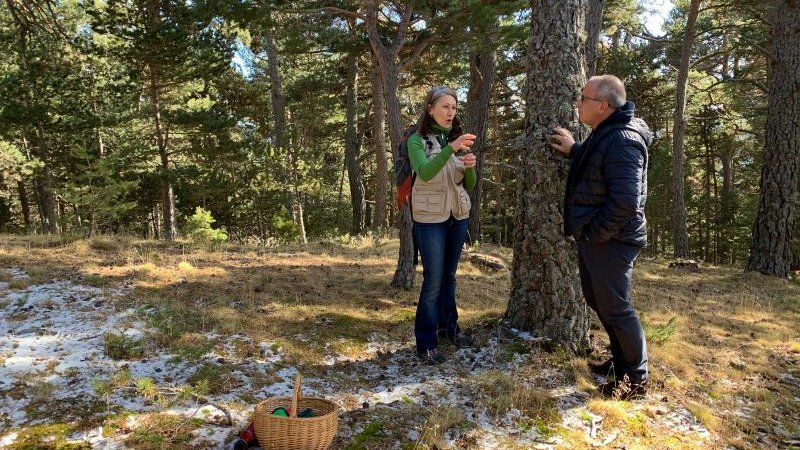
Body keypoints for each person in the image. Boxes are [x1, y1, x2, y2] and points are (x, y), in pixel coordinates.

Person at [549, 75, 652, 399]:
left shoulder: (622, 138)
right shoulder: (606, 133)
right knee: (600, 302)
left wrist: (595, 235)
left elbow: (625, 201)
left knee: (617, 308)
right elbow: (601, 165)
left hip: (612, 239)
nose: (578, 103)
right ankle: (620, 365)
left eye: (584, 98)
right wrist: (576, 150)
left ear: (604, 105)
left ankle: (635, 381)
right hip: (600, 237)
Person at [409, 86, 478, 365]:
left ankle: (450, 329)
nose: (451, 112)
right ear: (430, 109)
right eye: (445, 107)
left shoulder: (455, 141)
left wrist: (470, 165)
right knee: (433, 283)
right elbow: (425, 172)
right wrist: (451, 147)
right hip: (430, 221)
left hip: (457, 217)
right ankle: (426, 343)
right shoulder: (416, 141)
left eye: (454, 107)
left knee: (449, 278)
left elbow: (468, 185)